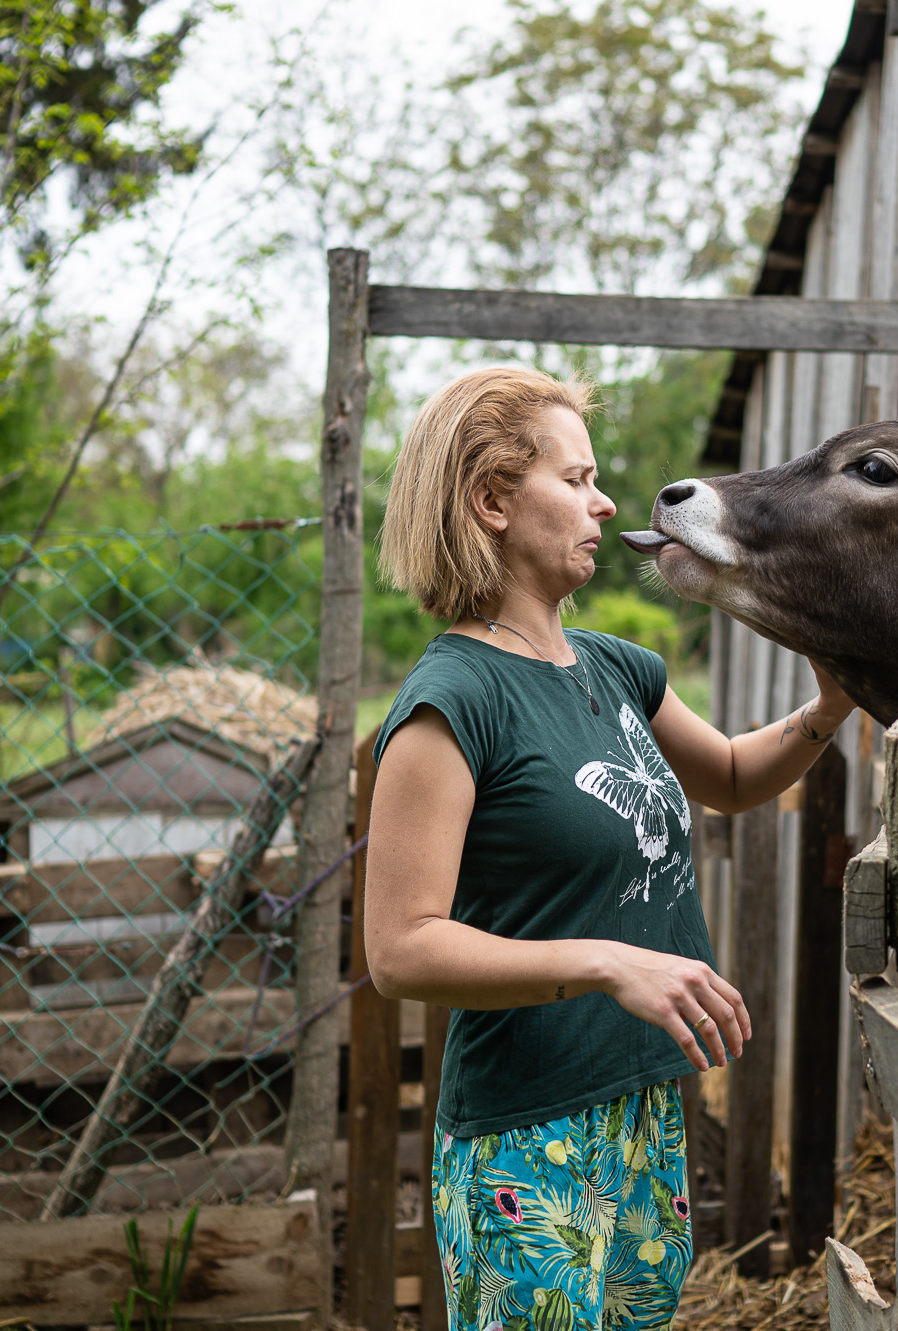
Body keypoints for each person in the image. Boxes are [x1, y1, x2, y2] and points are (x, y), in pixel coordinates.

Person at [365, 366, 853, 1329]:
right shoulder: (450, 701)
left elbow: (730, 775)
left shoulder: (615, 666)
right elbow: (400, 949)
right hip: (525, 1133)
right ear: (492, 500)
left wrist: (829, 707)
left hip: (638, 1099)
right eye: (577, 479)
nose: (607, 503)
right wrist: (607, 961)